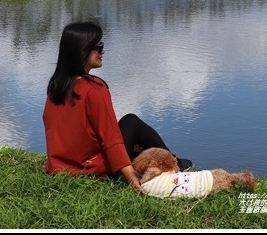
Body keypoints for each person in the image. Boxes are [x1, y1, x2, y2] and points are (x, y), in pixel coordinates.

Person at [43, 20, 192, 192]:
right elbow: (110, 137)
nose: (103, 51)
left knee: (129, 135)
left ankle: (162, 158)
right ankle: (172, 162)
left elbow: (65, 133)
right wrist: (130, 176)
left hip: (60, 167)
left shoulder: (56, 88)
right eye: (98, 47)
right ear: (82, 50)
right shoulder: (94, 88)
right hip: (91, 168)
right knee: (131, 121)